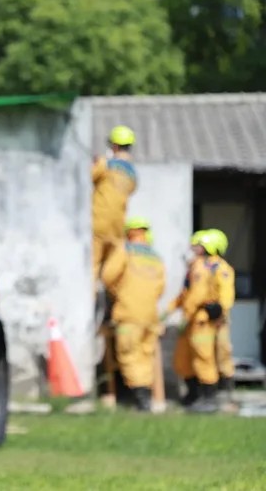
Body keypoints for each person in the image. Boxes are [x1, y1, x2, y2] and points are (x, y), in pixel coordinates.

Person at [100, 217, 165, 411]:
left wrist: (118, 292)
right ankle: (146, 395)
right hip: (150, 315)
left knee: (129, 354)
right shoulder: (155, 256)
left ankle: (140, 399)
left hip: (128, 313)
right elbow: (161, 287)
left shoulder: (124, 250)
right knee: (146, 354)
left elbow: (107, 276)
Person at [166, 230, 225, 413]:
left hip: (200, 321)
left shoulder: (203, 268)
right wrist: (167, 311)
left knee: (203, 358)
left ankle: (209, 398)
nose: (192, 248)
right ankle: (193, 395)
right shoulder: (195, 266)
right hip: (191, 320)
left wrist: (185, 315)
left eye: (196, 245)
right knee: (184, 360)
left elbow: (196, 295)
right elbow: (185, 295)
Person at [92, 125, 137, 285]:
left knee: (92, 270)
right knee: (111, 274)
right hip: (118, 228)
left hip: (98, 223)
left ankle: (88, 305)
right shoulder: (132, 173)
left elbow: (88, 177)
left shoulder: (105, 164)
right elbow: (130, 191)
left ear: (114, 145)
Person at [205, 228, 236, 405]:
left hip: (219, 318)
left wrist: (220, 312)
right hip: (207, 317)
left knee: (222, 351)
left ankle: (226, 390)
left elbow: (226, 295)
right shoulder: (205, 266)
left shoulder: (222, 269)